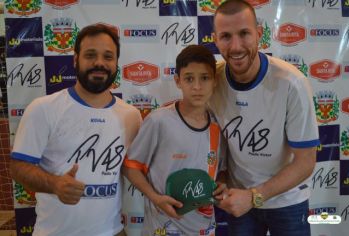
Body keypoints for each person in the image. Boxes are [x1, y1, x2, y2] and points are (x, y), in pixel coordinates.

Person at [10, 23, 141, 236]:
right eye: (90, 55)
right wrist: (55, 184)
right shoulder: (43, 108)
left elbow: (134, 169)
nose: (99, 63)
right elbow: (18, 167)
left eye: (108, 57)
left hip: (113, 231)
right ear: (75, 59)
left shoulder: (131, 115)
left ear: (116, 63)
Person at [209, 1, 320, 235]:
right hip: (239, 202)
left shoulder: (292, 83)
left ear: (259, 34)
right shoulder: (212, 81)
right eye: (226, 36)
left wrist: (254, 197)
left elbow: (306, 161)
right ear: (215, 39)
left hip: (287, 202)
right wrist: (219, 177)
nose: (236, 46)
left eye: (244, 34)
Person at [123, 45, 227, 235]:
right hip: (162, 227)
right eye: (189, 79)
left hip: (204, 227)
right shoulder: (159, 121)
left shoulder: (218, 126)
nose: (197, 87)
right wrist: (155, 197)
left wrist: (221, 184)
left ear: (214, 81)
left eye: (204, 78)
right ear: (178, 81)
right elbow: (131, 167)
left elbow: (221, 172)